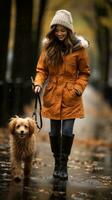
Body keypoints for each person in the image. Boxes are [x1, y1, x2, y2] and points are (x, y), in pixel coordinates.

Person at [34, 9, 90, 180]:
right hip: (53, 94)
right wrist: (38, 83)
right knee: (53, 133)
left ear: (69, 30)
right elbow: (41, 70)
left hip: (71, 96)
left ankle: (63, 165)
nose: (59, 33)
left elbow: (84, 73)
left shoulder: (78, 49)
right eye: (56, 29)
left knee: (66, 132)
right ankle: (57, 162)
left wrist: (78, 89)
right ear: (53, 30)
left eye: (63, 30)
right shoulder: (48, 47)